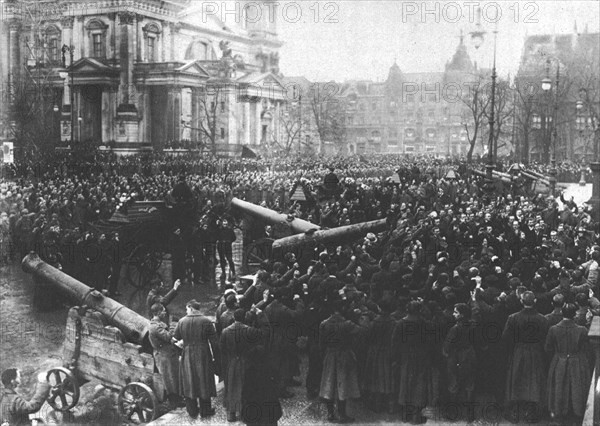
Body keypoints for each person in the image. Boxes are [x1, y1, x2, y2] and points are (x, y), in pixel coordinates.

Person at [502, 291, 549, 423]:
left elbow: (505, 338)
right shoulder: (543, 319)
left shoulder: (513, 318)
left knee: (516, 379)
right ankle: (532, 411)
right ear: (535, 301)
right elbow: (545, 338)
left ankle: (515, 412)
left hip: (518, 350)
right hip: (536, 351)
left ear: (521, 302)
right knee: (533, 380)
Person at [174, 299, 221, 419]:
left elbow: (175, 337)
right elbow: (214, 343)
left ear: (190, 308)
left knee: (189, 380)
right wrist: (216, 358)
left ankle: (192, 410)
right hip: (203, 353)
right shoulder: (206, 321)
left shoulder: (181, 321)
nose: (186, 311)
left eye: (186, 309)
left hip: (188, 353)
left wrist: (182, 350)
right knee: (204, 379)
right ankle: (206, 410)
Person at [545, 303, 591, 422]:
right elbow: (587, 348)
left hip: (559, 360)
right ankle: (577, 411)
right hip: (577, 361)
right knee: (576, 386)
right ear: (574, 315)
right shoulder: (582, 330)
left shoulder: (553, 329)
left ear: (562, 314)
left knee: (559, 386)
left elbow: (548, 348)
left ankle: (559, 411)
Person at [319, 299, 363, 423]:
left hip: (330, 354)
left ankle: (330, 413)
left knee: (329, 384)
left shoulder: (324, 324)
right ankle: (342, 414)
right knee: (342, 385)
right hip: (344, 355)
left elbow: (321, 343)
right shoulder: (347, 324)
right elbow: (361, 331)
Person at [220, 308, 264, 422]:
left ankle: (231, 413)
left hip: (232, 362)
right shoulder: (249, 330)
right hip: (246, 362)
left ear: (234, 318)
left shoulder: (225, 331)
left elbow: (222, 349)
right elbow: (263, 335)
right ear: (244, 318)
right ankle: (244, 414)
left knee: (231, 387)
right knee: (245, 387)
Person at [148, 303, 182, 408]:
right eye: (163, 311)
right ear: (158, 313)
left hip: (167, 354)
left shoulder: (158, 324)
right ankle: (174, 402)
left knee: (174, 377)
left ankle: (177, 398)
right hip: (165, 356)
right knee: (170, 378)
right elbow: (169, 337)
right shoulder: (156, 327)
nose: (165, 312)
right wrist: (174, 324)